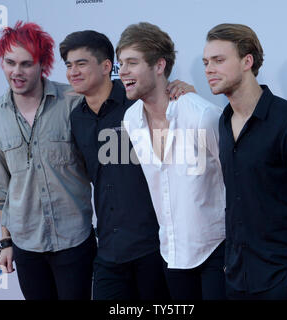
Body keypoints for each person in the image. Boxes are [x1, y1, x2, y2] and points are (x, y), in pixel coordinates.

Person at [59, 30, 192, 300]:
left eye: (81, 63)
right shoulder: (77, 118)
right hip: (108, 250)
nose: (73, 71)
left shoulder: (138, 103)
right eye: (69, 65)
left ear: (107, 66)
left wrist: (184, 91)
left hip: (153, 248)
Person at [203, 23, 287, 300]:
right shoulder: (223, 122)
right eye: (206, 62)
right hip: (238, 281)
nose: (209, 69)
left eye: (219, 60)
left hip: (284, 281)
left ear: (247, 61)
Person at [0, 21, 96, 300]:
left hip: (74, 241)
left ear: (42, 65)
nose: (16, 72)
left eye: (26, 64)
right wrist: (6, 241)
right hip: (26, 245)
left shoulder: (72, 102)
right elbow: (1, 188)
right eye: (10, 62)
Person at [117, 22, 227, 300]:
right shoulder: (130, 120)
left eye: (132, 62)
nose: (123, 71)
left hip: (218, 251)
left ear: (159, 65)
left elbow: (236, 183)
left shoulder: (202, 116)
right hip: (171, 254)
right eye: (121, 63)